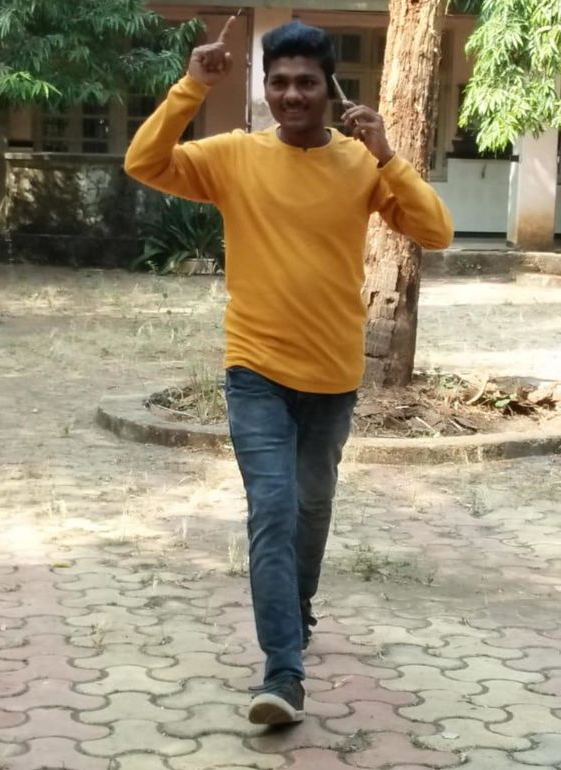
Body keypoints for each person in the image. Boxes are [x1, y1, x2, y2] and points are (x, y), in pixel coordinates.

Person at [125, 18, 453, 726]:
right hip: (256, 370)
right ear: (266, 89)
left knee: (311, 509)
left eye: (306, 81)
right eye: (279, 83)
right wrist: (192, 86)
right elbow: (144, 162)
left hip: (333, 375)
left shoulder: (360, 164)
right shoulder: (235, 156)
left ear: (329, 88)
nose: (293, 94)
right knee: (272, 510)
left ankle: (296, 608)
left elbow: (435, 231)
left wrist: (388, 155)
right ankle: (283, 674)